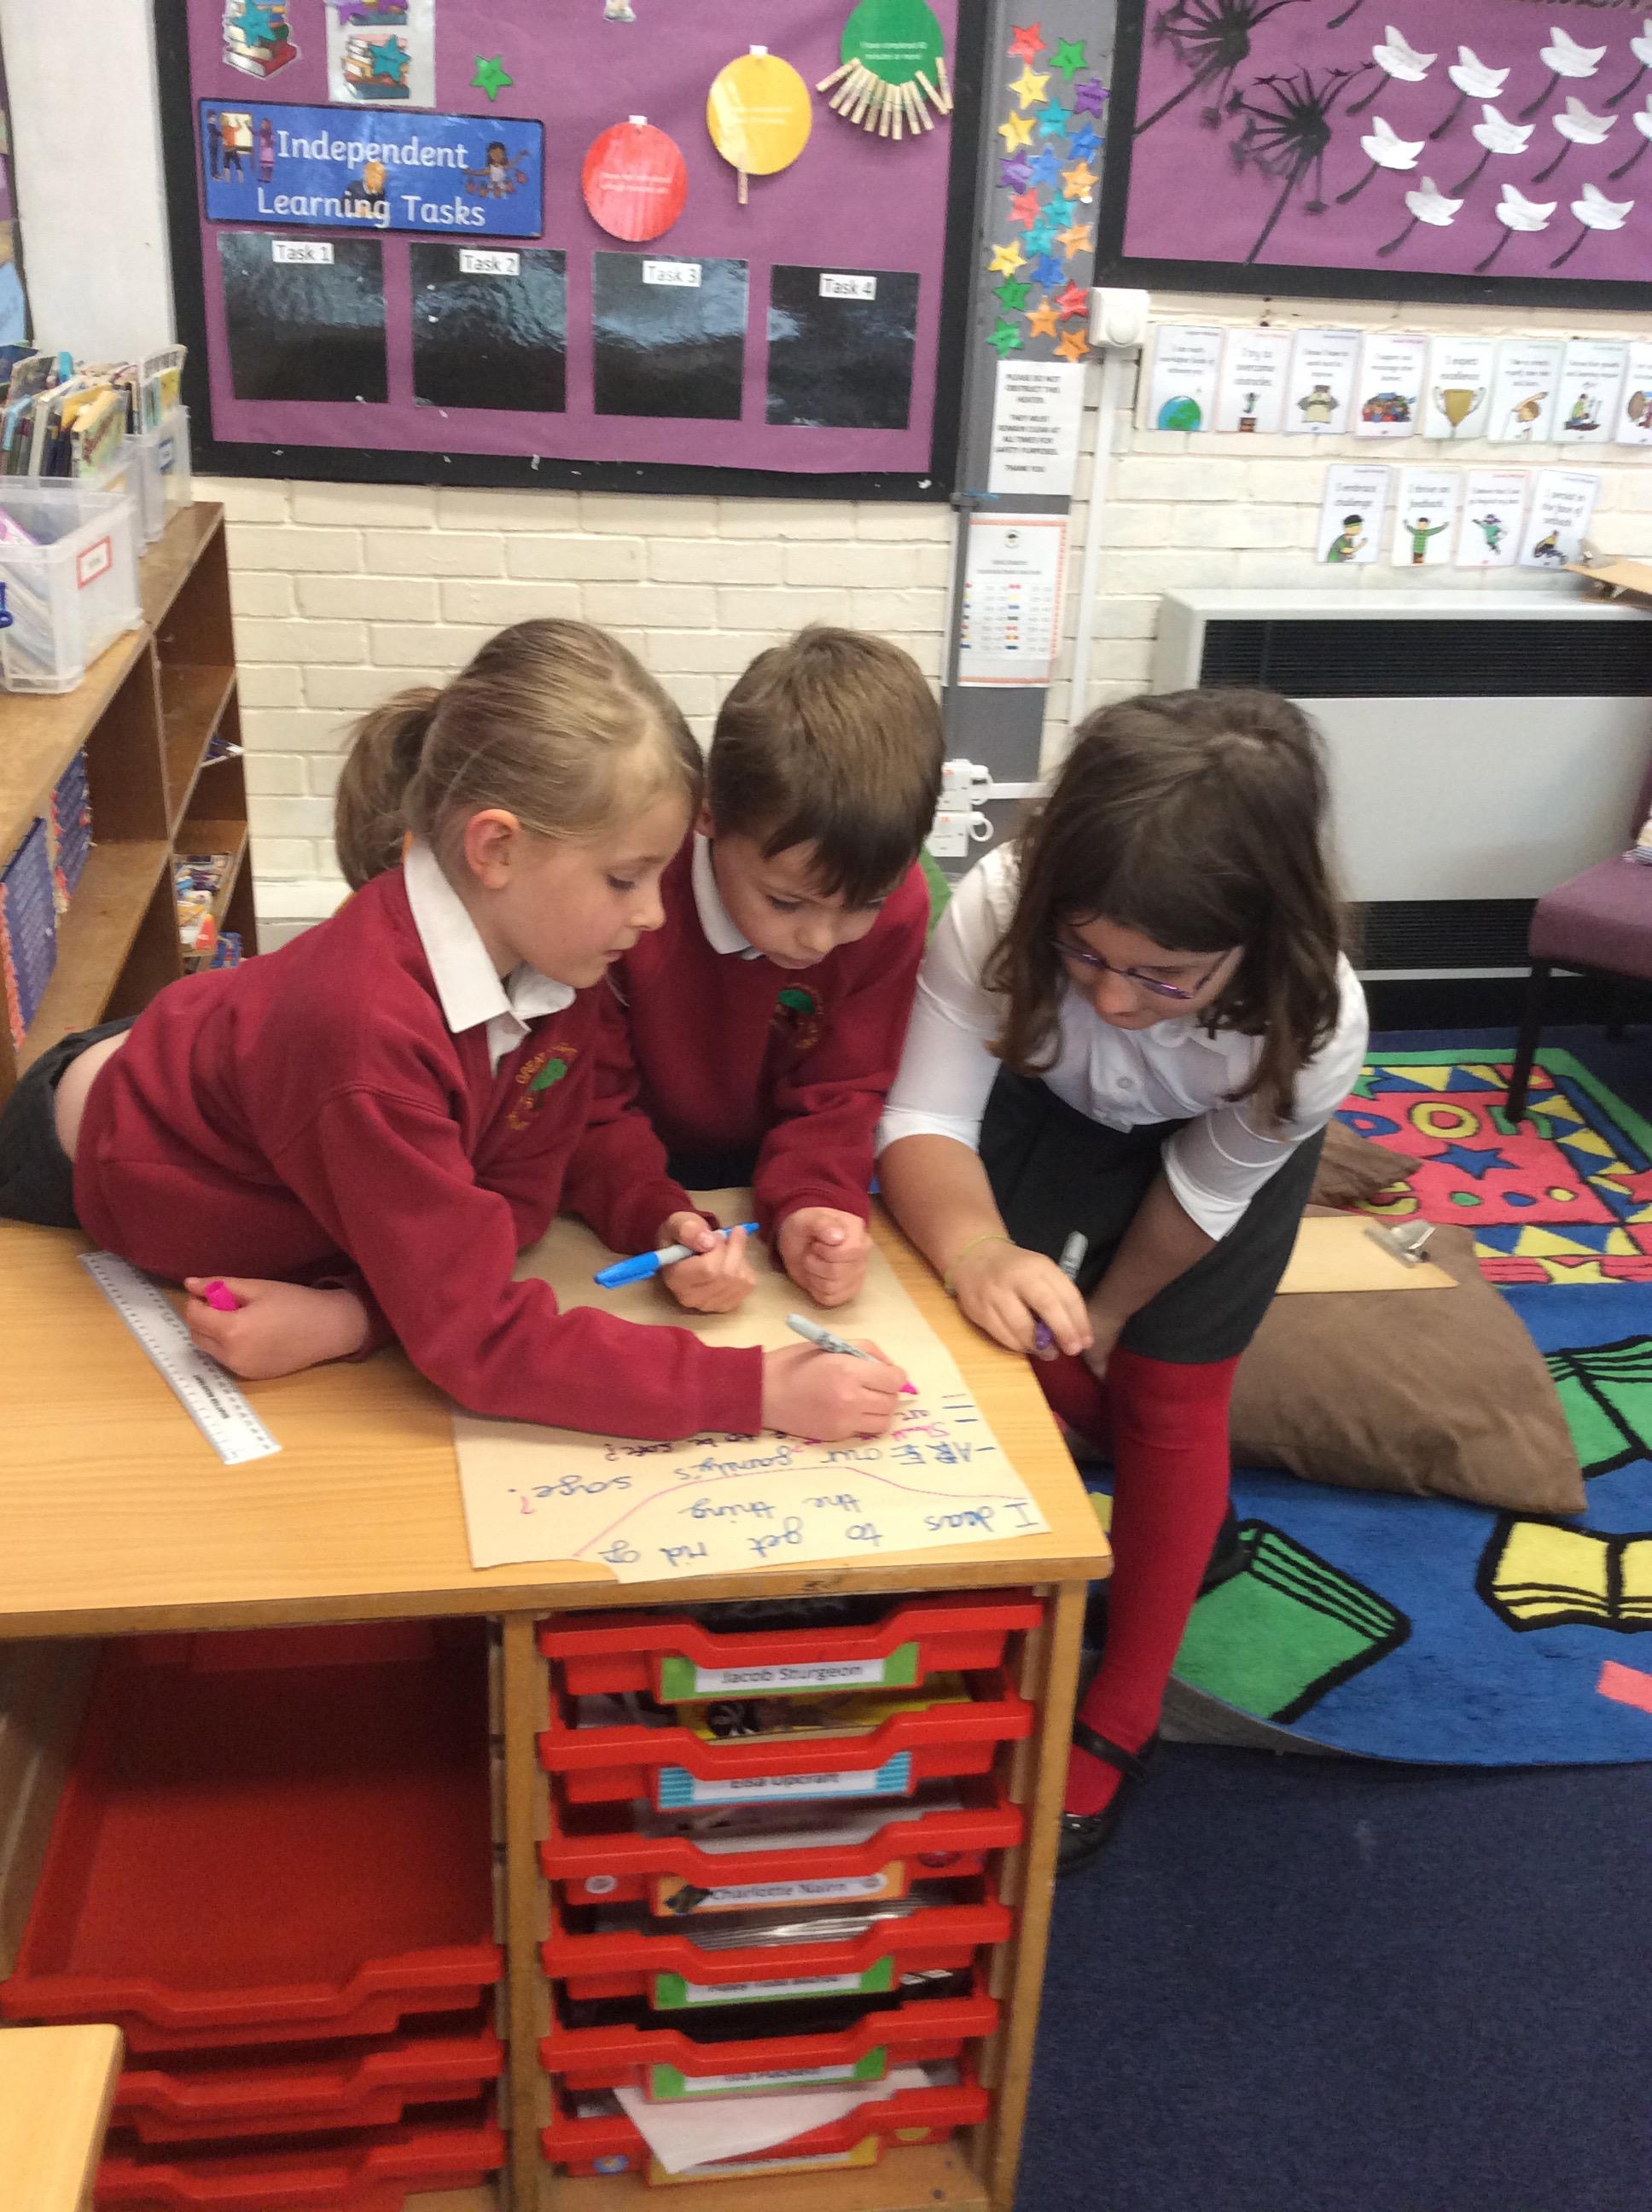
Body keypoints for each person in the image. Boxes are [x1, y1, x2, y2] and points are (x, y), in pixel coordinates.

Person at [0, 620, 905, 1446]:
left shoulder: (555, 960)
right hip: (111, 1153)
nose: (654, 917)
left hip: (261, 1097)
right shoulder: (363, 1036)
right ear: (495, 849)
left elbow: (509, 1193)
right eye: (626, 879)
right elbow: (475, 1340)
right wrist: (755, 1390)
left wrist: (658, 1220)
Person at [875, 689, 1368, 1868]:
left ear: (1258, 939)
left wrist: (1109, 1313)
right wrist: (980, 1254)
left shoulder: (1314, 1022)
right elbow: (926, 1116)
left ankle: (1126, 1708)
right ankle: (1177, 1527)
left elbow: (1204, 1190)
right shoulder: (1000, 905)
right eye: (1085, 952)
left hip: (1207, 1156)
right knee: (1001, 1339)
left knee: (1165, 1396)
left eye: (1165, 976)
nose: (1110, 997)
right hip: (1036, 1105)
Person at [567, 627, 944, 1319]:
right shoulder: (637, 894)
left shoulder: (900, 906)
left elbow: (843, 1091)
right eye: (786, 903)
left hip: (769, 1178)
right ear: (708, 814)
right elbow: (591, 1102)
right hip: (617, 1179)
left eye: (863, 904)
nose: (821, 940)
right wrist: (658, 1217)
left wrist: (817, 1205)